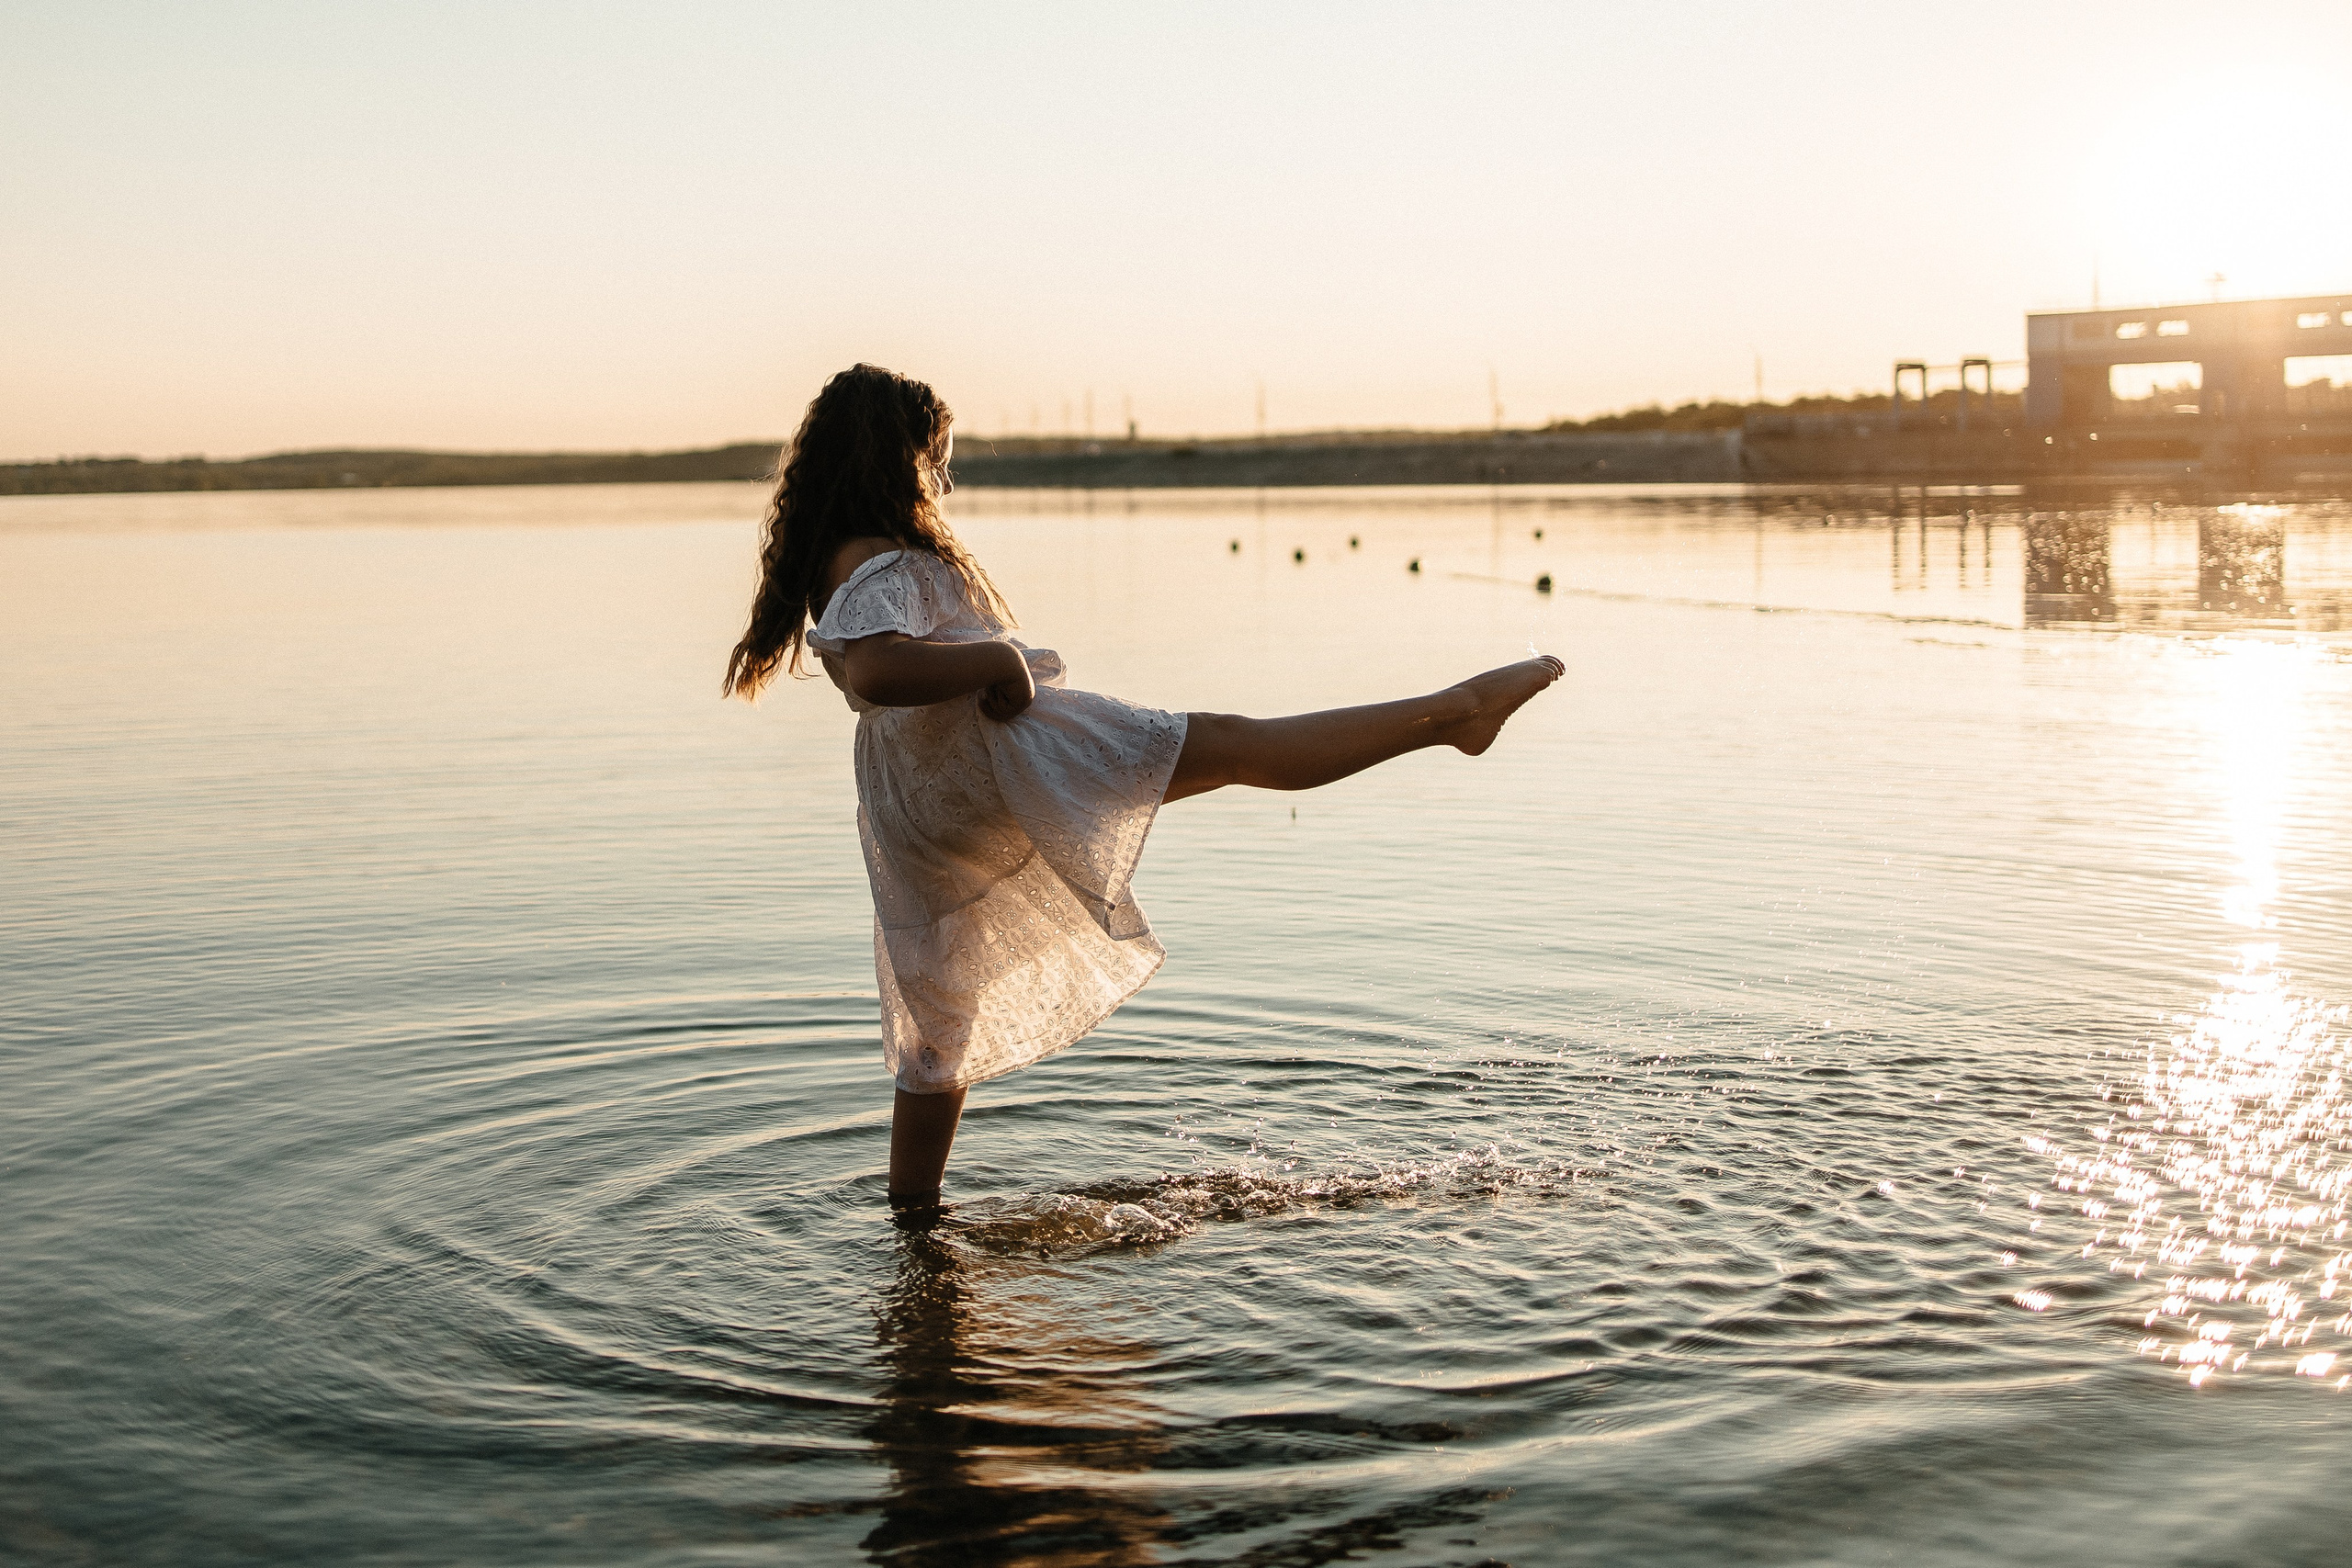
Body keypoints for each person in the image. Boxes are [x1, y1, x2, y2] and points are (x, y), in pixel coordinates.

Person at [724, 365, 1562, 1215]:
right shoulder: (882, 559)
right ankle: (1456, 713)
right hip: (999, 761)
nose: (942, 480)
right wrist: (998, 659)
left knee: (939, 1023)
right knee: (1237, 744)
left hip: (918, 802)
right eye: (933, 461)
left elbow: (866, 668)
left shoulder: (836, 558)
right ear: (891, 459)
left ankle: (914, 1220)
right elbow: (876, 666)